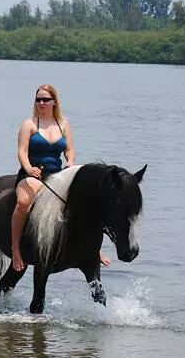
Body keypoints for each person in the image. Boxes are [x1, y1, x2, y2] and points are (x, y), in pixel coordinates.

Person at [10, 84, 110, 271]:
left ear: (54, 102)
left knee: (83, 202)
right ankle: (15, 249)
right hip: (33, 174)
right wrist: (29, 168)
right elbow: (22, 152)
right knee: (23, 202)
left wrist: (71, 163)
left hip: (57, 175)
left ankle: (93, 249)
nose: (41, 103)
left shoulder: (63, 123)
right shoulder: (29, 124)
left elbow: (69, 150)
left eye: (45, 100)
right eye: (38, 99)